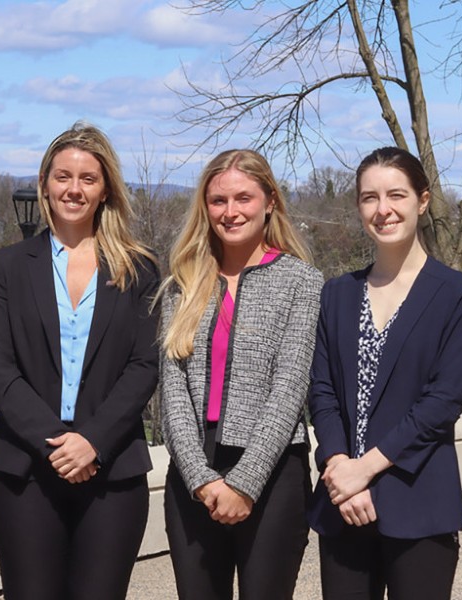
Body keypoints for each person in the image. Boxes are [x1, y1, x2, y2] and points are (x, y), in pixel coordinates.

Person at [0, 122, 160, 600]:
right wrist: (58, 445)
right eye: (63, 176)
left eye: (88, 178)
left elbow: (145, 367)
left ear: (106, 190)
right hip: (26, 472)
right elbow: (0, 370)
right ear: (45, 183)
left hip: (112, 474)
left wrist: (92, 442)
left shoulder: (139, 269)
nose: (74, 189)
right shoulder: (9, 266)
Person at [308, 146, 462, 599]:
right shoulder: (337, 294)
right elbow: (322, 392)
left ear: (422, 201)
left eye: (396, 195)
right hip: (343, 504)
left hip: (418, 501)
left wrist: (364, 469)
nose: (382, 210)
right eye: (369, 198)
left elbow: (443, 402)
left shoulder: (456, 294)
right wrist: (339, 467)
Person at [159, 149, 322, 599]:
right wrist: (200, 477)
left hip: (272, 476)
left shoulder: (302, 283)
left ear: (270, 201)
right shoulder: (183, 282)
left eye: (243, 198)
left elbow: (291, 388)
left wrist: (244, 484)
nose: (230, 212)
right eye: (218, 201)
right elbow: (172, 389)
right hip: (194, 475)